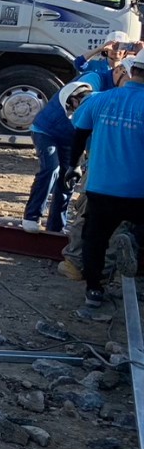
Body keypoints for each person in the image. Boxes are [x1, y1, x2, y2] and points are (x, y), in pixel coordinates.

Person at [67, 54, 144, 308]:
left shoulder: (100, 99)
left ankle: (94, 291)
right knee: (139, 232)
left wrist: (73, 166)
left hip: (100, 186)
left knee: (95, 238)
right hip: (137, 190)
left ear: (131, 71)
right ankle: (134, 246)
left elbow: (79, 136)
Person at [22, 80, 92, 233]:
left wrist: (81, 163)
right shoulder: (58, 112)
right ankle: (31, 216)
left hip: (69, 140)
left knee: (68, 178)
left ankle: (57, 226)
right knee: (51, 168)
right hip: (45, 132)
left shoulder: (90, 105)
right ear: (73, 101)